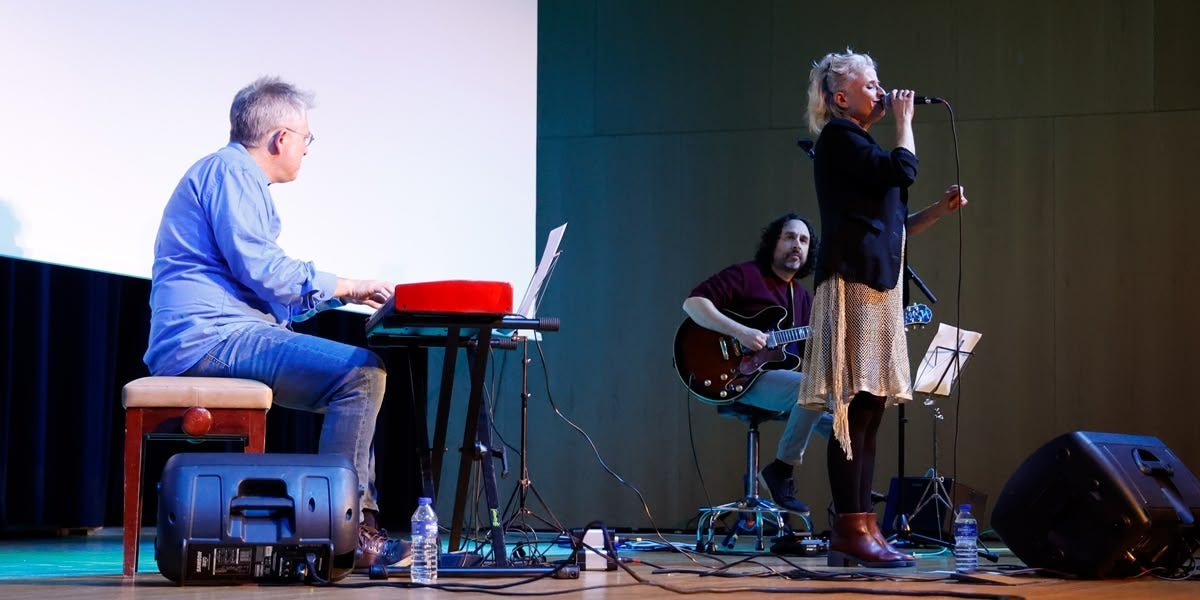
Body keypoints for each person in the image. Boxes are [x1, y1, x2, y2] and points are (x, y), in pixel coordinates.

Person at [143, 77, 410, 569]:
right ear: (280, 138)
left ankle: (343, 525)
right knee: (361, 374)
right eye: (307, 138)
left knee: (358, 375)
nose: (307, 150)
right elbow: (264, 269)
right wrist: (347, 285)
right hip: (211, 338)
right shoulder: (231, 172)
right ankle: (346, 531)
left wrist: (337, 295)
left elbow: (267, 293)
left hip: (221, 332)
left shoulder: (230, 175)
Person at [799, 49, 966, 568]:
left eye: (879, 83)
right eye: (870, 84)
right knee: (853, 409)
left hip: (877, 284)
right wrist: (906, 120)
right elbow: (903, 168)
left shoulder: (858, 145)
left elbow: (891, 225)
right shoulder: (839, 138)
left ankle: (863, 526)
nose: (881, 91)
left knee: (869, 410)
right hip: (854, 285)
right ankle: (849, 528)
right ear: (840, 98)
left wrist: (937, 212)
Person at [683, 213, 833, 516]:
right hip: (736, 377)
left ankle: (852, 500)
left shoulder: (803, 298)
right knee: (813, 388)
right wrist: (742, 332)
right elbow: (693, 304)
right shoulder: (747, 275)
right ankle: (781, 470)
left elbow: (811, 358)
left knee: (845, 422)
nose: (797, 245)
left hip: (779, 381)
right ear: (773, 242)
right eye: (789, 237)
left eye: (804, 241)